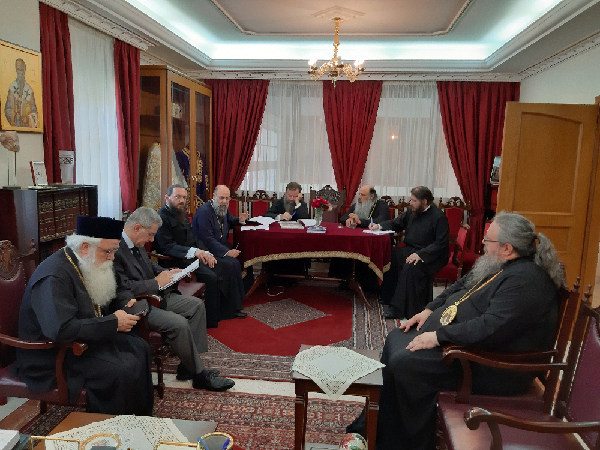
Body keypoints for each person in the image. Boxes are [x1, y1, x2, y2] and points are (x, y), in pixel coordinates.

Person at [349, 212, 563, 450]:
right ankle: (376, 431)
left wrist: (438, 336)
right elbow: (460, 286)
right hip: (467, 346)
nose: (483, 244)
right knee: (396, 338)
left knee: (403, 362)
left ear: (507, 248)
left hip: (491, 366)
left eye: (488, 240)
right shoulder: (502, 265)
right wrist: (429, 310)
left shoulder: (526, 281)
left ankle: (404, 443)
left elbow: (490, 327)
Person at [14, 216, 153, 415]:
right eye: (109, 251)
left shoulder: (89, 260)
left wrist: (125, 302)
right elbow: (60, 329)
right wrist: (113, 323)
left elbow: (114, 290)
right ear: (86, 247)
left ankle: (141, 419)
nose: (112, 257)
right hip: (53, 355)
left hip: (83, 341)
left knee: (140, 347)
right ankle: (110, 428)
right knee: (120, 369)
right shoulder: (54, 276)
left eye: (114, 250)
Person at [113, 207, 235, 391]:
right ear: (137, 228)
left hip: (157, 295)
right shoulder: (114, 249)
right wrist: (155, 283)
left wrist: (168, 272)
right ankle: (199, 375)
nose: (152, 240)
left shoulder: (136, 242)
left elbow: (148, 266)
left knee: (196, 306)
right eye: (150, 234)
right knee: (179, 323)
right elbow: (122, 288)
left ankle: (187, 366)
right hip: (138, 304)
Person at [154, 185, 247, 328]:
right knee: (211, 276)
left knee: (227, 266)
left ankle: (228, 310)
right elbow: (167, 247)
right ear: (167, 198)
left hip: (192, 255)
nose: (182, 200)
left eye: (184, 197)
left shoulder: (181, 213)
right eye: (178, 197)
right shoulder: (161, 217)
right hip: (176, 260)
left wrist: (205, 253)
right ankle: (211, 319)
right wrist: (195, 252)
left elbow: (194, 238)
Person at [371, 186, 449, 319]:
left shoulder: (438, 217)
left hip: (432, 255)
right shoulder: (412, 212)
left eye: (414, 200)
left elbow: (440, 244)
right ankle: (387, 297)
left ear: (424, 201)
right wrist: (379, 226)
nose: (410, 203)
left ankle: (397, 309)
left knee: (410, 266)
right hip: (412, 249)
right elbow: (396, 223)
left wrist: (421, 254)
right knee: (392, 257)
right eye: (411, 200)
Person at [192, 185, 254, 291]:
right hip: (208, 250)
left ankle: (244, 292)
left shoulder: (222, 208)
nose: (224, 201)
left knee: (246, 257)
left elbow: (230, 220)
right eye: (221, 198)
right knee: (232, 263)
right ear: (214, 196)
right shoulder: (204, 212)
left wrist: (239, 219)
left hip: (221, 245)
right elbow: (207, 239)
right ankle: (233, 298)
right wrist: (227, 252)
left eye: (227, 198)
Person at [4, 58, 38, 128]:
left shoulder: (29, 90)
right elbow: (7, 109)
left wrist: (27, 118)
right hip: (15, 125)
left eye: (21, 70)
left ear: (24, 70)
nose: (20, 73)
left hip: (26, 126)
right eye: (18, 70)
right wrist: (14, 114)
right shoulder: (12, 88)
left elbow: (34, 112)